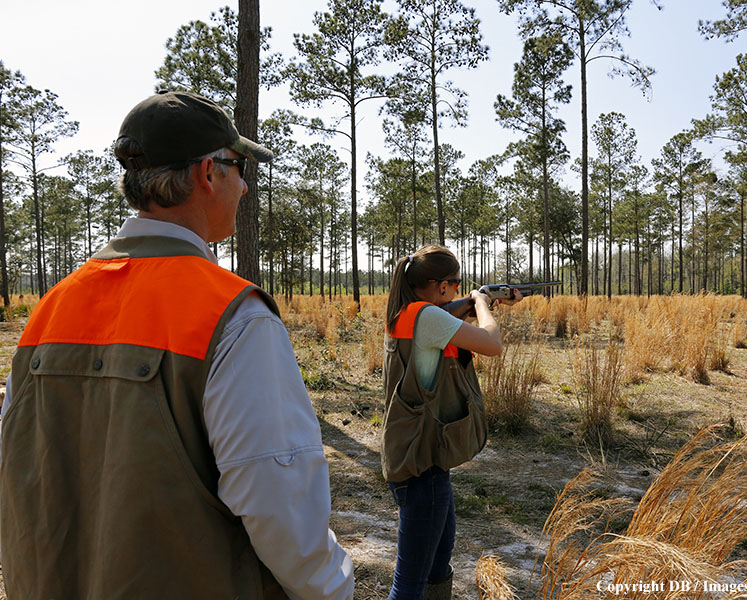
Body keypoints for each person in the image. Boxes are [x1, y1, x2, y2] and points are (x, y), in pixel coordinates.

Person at [0, 90, 354, 600]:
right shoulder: (235, 316)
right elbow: (280, 509)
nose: (247, 185)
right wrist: (335, 589)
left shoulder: (52, 307)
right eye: (238, 167)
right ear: (207, 174)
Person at [381, 245, 521, 600]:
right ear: (441, 286)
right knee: (409, 584)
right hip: (421, 464)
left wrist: (476, 302)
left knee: (438, 563)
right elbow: (492, 343)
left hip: (421, 452)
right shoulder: (428, 318)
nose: (459, 291)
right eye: (456, 285)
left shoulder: (407, 311)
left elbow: (444, 319)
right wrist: (482, 304)